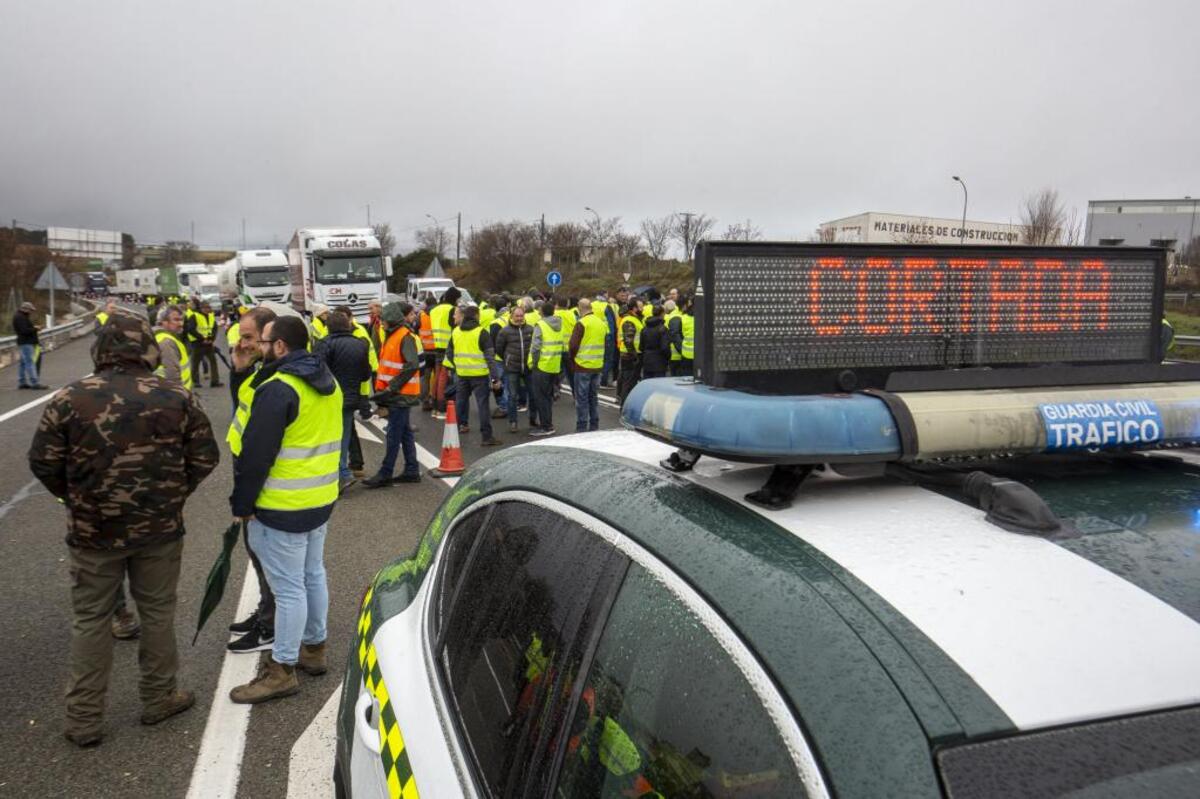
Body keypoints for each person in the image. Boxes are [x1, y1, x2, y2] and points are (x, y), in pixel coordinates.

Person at [28, 311, 219, 746]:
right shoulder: (177, 396)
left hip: (93, 532)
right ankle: (158, 698)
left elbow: (43, 462)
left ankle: (84, 718)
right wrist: (172, 494)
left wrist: (77, 496)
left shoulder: (69, 398)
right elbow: (205, 458)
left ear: (100, 349)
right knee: (157, 613)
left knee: (91, 619)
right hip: (160, 529)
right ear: (147, 349)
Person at [229, 315, 341, 704]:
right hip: (320, 499)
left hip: (281, 506)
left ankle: (282, 670)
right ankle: (315, 649)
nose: (258, 346)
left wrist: (242, 503)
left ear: (279, 346)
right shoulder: (328, 382)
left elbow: (256, 456)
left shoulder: (279, 388)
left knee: (289, 588)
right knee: (312, 575)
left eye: (263, 341)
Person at [225, 306, 280, 654]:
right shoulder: (257, 370)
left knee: (268, 555)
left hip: (265, 483)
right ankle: (266, 611)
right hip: (247, 469)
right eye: (240, 336)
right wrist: (240, 370)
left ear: (266, 337)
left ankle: (271, 625)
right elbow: (240, 409)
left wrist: (246, 496)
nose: (241, 343)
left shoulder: (273, 377)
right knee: (257, 551)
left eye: (248, 337)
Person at [364, 302, 422, 488]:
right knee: (404, 433)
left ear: (391, 321)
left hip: (400, 394)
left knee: (393, 435)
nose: (381, 323)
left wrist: (392, 387)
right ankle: (412, 470)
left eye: (383, 320)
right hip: (396, 393)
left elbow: (412, 364)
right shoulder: (393, 335)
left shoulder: (404, 337)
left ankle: (385, 473)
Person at [313, 310, 372, 491]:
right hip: (351, 397)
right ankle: (343, 471)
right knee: (344, 436)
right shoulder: (360, 344)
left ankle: (340, 474)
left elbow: (317, 371)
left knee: (329, 437)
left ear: (328, 327)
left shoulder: (324, 344)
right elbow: (365, 374)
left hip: (329, 398)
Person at [445, 304, 500, 446]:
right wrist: (495, 379)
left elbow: (449, 353)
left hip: (462, 374)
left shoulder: (456, 331)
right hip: (479, 375)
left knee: (461, 403)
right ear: (476, 316)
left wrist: (457, 365)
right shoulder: (482, 333)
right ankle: (486, 437)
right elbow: (490, 358)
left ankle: (453, 435)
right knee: (482, 406)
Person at [494, 305, 535, 433]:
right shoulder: (505, 331)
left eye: (521, 315)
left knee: (533, 395)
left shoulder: (530, 329)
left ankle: (533, 420)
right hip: (512, 368)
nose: (519, 318)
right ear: (511, 316)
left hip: (528, 368)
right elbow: (499, 349)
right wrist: (508, 359)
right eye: (517, 316)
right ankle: (513, 422)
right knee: (512, 396)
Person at [568, 298, 606, 432]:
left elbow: (573, 346)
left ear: (580, 308)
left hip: (582, 366)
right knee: (593, 397)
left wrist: (572, 359)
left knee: (582, 399)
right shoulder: (601, 323)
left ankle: (582, 426)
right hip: (597, 365)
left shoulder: (582, 323)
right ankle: (594, 424)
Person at [528, 300, 563, 436]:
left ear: (542, 311)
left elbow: (536, 347)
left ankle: (546, 427)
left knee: (541, 398)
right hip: (554, 366)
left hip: (542, 366)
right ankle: (548, 424)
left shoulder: (541, 325)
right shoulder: (559, 324)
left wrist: (534, 362)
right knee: (548, 397)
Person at [429, 287, 460, 418]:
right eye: (458, 299)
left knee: (437, 377)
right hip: (449, 347)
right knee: (445, 378)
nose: (459, 302)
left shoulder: (434, 310)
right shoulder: (451, 310)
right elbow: (455, 328)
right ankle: (442, 407)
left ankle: (435, 405)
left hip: (437, 346)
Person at [153, 305, 193, 390]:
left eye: (182, 320)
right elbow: (172, 374)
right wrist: (180, 396)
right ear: (163, 322)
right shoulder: (167, 342)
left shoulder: (162, 337)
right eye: (176, 320)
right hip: (175, 394)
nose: (181, 324)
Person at [13, 301, 48, 389]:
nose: (31, 312)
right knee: (29, 362)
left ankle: (22, 382)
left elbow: (24, 329)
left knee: (23, 363)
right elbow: (24, 330)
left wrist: (33, 328)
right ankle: (35, 383)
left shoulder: (20, 316)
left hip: (24, 342)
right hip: (26, 342)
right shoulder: (20, 317)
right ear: (25, 309)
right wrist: (35, 329)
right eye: (30, 310)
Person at [617, 300, 644, 406]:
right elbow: (629, 341)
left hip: (630, 354)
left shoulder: (633, 319)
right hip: (630, 356)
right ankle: (625, 406)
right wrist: (635, 356)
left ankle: (625, 404)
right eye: (640, 307)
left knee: (629, 381)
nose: (642, 309)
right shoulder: (629, 320)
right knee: (628, 383)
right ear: (634, 308)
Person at [188, 301, 222, 387]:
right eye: (205, 308)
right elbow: (191, 329)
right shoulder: (194, 316)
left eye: (208, 307)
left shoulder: (211, 316)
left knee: (213, 361)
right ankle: (195, 382)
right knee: (195, 363)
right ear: (201, 308)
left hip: (208, 343)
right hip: (198, 343)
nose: (208, 309)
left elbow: (213, 329)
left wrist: (211, 339)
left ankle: (215, 381)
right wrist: (202, 338)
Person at [639, 305, 671, 379]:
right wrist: (668, 357)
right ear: (662, 314)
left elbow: (641, 347)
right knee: (658, 387)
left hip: (647, 362)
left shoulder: (644, 329)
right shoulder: (662, 329)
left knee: (648, 386)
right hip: (659, 363)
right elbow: (665, 347)